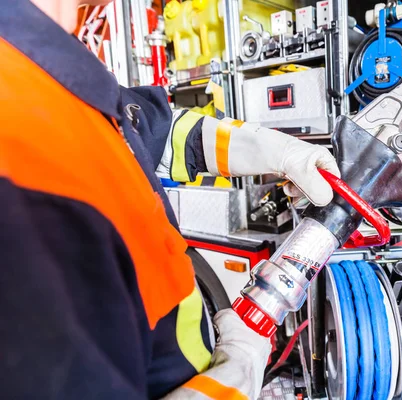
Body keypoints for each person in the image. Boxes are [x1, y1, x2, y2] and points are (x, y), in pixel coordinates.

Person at [0, 1, 340, 399]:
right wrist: (233, 381)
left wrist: (273, 150)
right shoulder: (21, 176)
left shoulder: (47, 68)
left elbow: (149, 130)